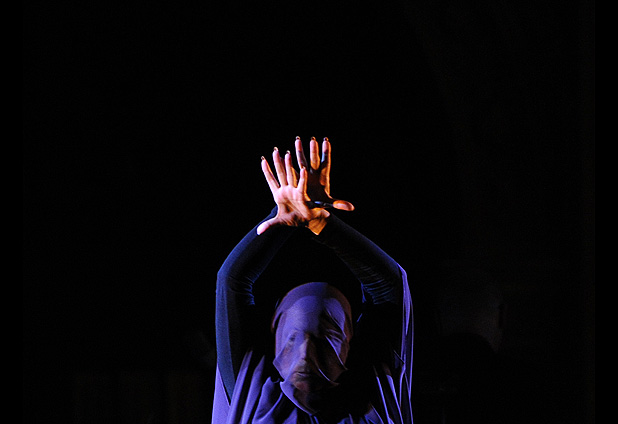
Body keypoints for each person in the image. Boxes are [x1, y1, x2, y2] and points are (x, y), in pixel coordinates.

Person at [212, 137, 414, 423]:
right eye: (292, 338)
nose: (306, 354)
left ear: (348, 341)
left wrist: (322, 223)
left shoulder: (373, 396)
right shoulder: (253, 393)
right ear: (275, 335)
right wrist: (284, 219)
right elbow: (231, 281)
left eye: (325, 339)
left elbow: (389, 285)